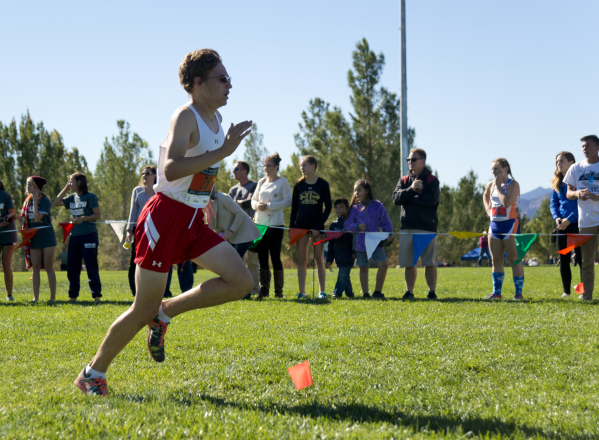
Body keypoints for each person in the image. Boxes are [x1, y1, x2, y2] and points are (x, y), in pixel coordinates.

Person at [74, 49, 254, 396]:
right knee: (141, 308)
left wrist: (208, 198)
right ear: (198, 83)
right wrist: (223, 153)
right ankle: (92, 374)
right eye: (223, 79)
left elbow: (198, 175)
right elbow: (169, 169)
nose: (230, 85)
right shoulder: (185, 117)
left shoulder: (217, 122)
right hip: (164, 217)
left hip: (191, 219)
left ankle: (167, 311)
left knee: (241, 281)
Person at [392, 148, 440, 300]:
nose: (409, 162)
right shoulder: (404, 180)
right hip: (407, 227)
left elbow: (431, 201)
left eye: (413, 160)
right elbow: (396, 199)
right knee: (408, 263)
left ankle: (431, 292)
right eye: (408, 160)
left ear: (422, 161)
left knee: (429, 262)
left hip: (427, 228)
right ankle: (409, 292)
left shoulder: (432, 180)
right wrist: (411, 190)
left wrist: (410, 197)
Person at [53, 172, 102, 302]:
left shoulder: (90, 197)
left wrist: (82, 219)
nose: (70, 183)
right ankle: (73, 296)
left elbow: (97, 215)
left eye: (71, 181)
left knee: (91, 267)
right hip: (74, 236)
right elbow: (56, 202)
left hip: (89, 235)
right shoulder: (72, 197)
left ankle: (96, 296)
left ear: (79, 182)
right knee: (72, 268)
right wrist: (66, 188)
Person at [289, 156, 332, 299]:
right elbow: (294, 208)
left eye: (305, 165)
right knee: (302, 260)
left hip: (317, 228)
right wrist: (292, 227)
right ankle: (302, 292)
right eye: (301, 166)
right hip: (300, 228)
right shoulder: (298, 185)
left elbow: (328, 208)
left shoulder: (323, 184)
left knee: (319, 260)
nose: (302, 168)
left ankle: (322, 292)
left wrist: (318, 226)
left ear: (313, 166)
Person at [482, 158, 525, 300]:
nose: (494, 172)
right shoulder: (490, 184)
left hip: (510, 225)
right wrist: (488, 209)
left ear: (506, 169)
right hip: (494, 226)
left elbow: (506, 203)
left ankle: (518, 293)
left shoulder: (513, 184)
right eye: (493, 170)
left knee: (514, 259)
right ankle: (497, 293)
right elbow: (485, 195)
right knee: (496, 260)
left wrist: (499, 187)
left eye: (497, 169)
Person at [251, 153, 292, 299]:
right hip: (260, 225)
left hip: (275, 225)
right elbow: (253, 201)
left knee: (275, 257)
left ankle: (278, 292)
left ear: (276, 167)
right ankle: (263, 291)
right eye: (264, 165)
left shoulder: (283, 182)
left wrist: (269, 206)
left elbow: (288, 201)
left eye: (268, 165)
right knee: (262, 257)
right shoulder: (261, 182)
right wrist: (257, 205)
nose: (265, 168)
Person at [564, 135, 599, 301]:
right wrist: (577, 193)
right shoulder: (575, 168)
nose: (584, 149)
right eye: (583, 146)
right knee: (586, 261)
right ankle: (587, 297)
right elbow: (568, 193)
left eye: (588, 146)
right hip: (586, 221)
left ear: (597, 147)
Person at [345, 180, 393, 299]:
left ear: (367, 191)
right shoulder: (354, 208)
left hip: (376, 242)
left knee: (384, 264)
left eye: (359, 190)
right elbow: (347, 225)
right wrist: (356, 227)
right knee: (364, 267)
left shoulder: (378, 205)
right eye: (355, 190)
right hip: (360, 244)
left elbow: (385, 221)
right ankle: (365, 294)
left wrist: (388, 233)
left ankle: (377, 293)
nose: (356, 193)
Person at [210, 190, 261, 299]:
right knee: (233, 263)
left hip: (244, 232)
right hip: (233, 236)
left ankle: (246, 293)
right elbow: (216, 225)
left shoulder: (222, 197)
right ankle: (239, 292)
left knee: (236, 263)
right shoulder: (208, 203)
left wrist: (230, 231)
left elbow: (239, 213)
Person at [17, 176, 58, 302]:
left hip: (47, 238)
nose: (27, 187)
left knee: (49, 268)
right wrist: (15, 216)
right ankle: (36, 298)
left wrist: (35, 201)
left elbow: (37, 218)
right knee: (35, 269)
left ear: (37, 187)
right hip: (34, 239)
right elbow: (27, 219)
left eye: (30, 185)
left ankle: (52, 298)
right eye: (27, 184)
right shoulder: (27, 201)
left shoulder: (45, 200)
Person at [550, 151, 582, 298]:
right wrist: (557, 218)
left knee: (582, 260)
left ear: (571, 163)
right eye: (557, 161)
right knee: (564, 260)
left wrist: (569, 219)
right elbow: (553, 204)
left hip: (578, 224)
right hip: (561, 225)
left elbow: (580, 204)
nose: (558, 164)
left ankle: (582, 292)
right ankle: (567, 292)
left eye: (561, 161)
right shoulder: (557, 181)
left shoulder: (579, 180)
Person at [228, 161, 259, 295]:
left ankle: (254, 290)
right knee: (237, 262)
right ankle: (239, 290)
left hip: (252, 229)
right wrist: (243, 202)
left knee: (253, 262)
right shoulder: (233, 190)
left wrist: (241, 203)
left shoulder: (254, 186)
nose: (233, 171)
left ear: (244, 171)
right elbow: (229, 208)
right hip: (236, 230)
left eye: (236, 169)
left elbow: (253, 203)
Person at [126, 165, 156, 296]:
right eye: (143, 173)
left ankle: (151, 289)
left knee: (153, 260)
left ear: (155, 175)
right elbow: (133, 211)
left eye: (148, 173)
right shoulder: (137, 191)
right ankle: (135, 290)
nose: (145, 175)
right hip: (139, 230)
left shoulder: (159, 191)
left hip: (155, 230)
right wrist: (129, 230)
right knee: (136, 260)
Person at [325, 198, 355, 298]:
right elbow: (331, 243)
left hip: (349, 254)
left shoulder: (351, 223)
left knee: (342, 274)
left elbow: (355, 238)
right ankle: (349, 293)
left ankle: (337, 293)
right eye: (337, 207)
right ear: (334, 209)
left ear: (347, 209)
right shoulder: (333, 225)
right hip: (338, 255)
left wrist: (354, 251)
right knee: (344, 274)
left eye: (342, 207)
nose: (339, 209)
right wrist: (329, 258)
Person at [0, 179, 17, 301]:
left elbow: (12, 216)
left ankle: (9, 295)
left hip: (7, 235)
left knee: (6, 265)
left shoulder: (5, 196)